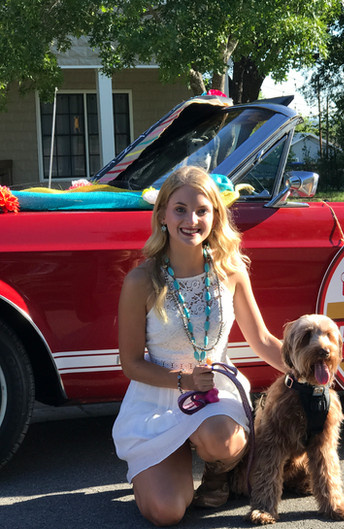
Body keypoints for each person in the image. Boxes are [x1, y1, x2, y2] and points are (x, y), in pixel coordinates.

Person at [112, 166, 284, 526]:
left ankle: (217, 473)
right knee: (166, 512)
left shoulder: (231, 271)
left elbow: (264, 341)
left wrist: (310, 367)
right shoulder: (141, 280)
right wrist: (183, 381)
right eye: (180, 209)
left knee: (221, 442)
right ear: (162, 215)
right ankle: (161, 467)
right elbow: (130, 363)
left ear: (215, 216)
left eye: (202, 210)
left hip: (215, 391)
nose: (191, 219)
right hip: (158, 395)